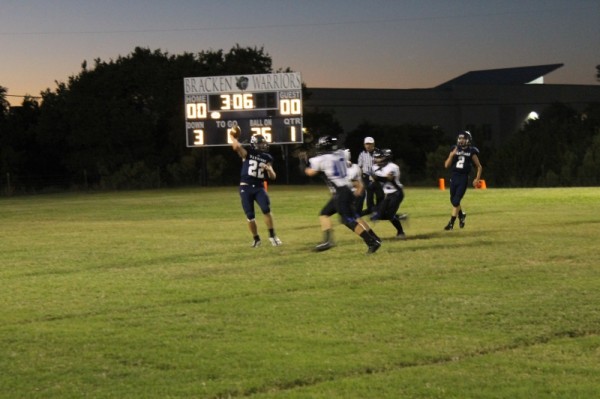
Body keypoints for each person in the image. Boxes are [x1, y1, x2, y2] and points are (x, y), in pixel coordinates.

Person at [304, 136, 381, 254]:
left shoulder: (322, 159)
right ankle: (328, 240)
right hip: (346, 190)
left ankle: (371, 241)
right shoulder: (340, 154)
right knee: (325, 213)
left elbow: (310, 172)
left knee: (347, 220)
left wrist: (303, 161)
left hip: (340, 192)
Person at [231, 132, 282, 247]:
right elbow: (237, 147)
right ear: (254, 144)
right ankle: (256, 238)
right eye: (261, 143)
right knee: (250, 215)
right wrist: (233, 137)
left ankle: (272, 235)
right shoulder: (247, 153)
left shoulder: (267, 157)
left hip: (259, 187)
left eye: (264, 143)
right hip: (246, 187)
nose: (264, 145)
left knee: (266, 209)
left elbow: (273, 177)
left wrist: (269, 169)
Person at [443, 130, 483, 230]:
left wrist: (477, 179)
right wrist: (452, 155)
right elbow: (446, 165)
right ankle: (461, 215)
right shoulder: (454, 149)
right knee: (453, 200)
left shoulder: (471, 151)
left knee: (456, 200)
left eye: (463, 138)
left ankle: (451, 223)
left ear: (468, 140)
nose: (461, 140)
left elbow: (479, 166)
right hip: (454, 177)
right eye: (460, 138)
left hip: (463, 178)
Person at [370, 148, 408, 239]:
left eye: (379, 157)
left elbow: (388, 179)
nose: (377, 159)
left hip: (397, 192)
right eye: (376, 157)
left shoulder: (393, 167)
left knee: (390, 215)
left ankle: (401, 232)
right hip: (388, 194)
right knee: (379, 215)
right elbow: (374, 180)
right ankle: (400, 217)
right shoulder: (375, 167)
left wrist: (376, 177)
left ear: (385, 158)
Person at [357, 136, 382, 216]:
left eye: (370, 144)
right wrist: (359, 178)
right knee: (368, 195)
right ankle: (370, 210)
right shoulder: (362, 154)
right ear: (364, 145)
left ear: (373, 144)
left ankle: (378, 209)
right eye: (366, 144)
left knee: (379, 195)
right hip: (366, 177)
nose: (368, 146)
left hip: (377, 177)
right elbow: (360, 167)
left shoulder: (379, 152)